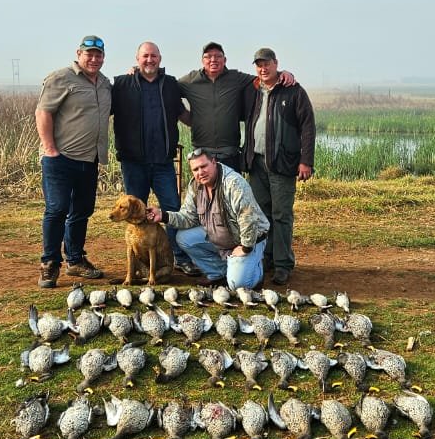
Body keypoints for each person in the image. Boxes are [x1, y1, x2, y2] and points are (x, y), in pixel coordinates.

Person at [110, 41, 195, 273]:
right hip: (133, 163)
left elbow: (182, 114)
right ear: (137, 59)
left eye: (154, 56)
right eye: (145, 56)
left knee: (172, 209)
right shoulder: (122, 84)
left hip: (162, 163)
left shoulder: (170, 85)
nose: (150, 60)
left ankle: (178, 257)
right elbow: (98, 108)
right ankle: (138, 263)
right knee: (135, 213)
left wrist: (208, 121)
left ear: (160, 58)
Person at [35, 35, 111, 288]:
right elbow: (43, 111)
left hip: (89, 159)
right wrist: (49, 148)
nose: (94, 59)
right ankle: (49, 264)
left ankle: (75, 260)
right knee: (57, 210)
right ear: (79, 53)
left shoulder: (104, 83)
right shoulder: (61, 78)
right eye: (89, 54)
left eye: (98, 55)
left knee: (81, 211)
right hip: (61, 158)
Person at [242, 47, 315, 285]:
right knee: (261, 215)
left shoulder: (293, 91)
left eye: (267, 64)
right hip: (257, 163)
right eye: (259, 65)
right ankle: (267, 259)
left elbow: (307, 126)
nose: (263, 68)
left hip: (282, 163)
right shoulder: (252, 90)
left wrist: (306, 161)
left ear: (276, 64)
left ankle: (283, 265)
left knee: (281, 215)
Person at [146, 148, 269, 289]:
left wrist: (246, 247)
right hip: (222, 237)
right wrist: (163, 215)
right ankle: (219, 274)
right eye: (195, 169)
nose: (200, 172)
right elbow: (188, 217)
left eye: (203, 166)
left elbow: (248, 218)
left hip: (249, 239)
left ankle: (257, 270)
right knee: (184, 238)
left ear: (214, 162)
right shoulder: (195, 185)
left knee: (238, 285)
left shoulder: (233, 183)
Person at [178, 43, 295, 171]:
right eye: (208, 56)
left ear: (225, 60)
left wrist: (282, 73)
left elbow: (263, 78)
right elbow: (170, 91)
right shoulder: (190, 81)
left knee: (233, 190)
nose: (213, 60)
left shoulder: (236, 78)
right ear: (202, 60)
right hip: (202, 155)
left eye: (218, 56)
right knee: (205, 191)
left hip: (230, 154)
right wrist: (184, 115)